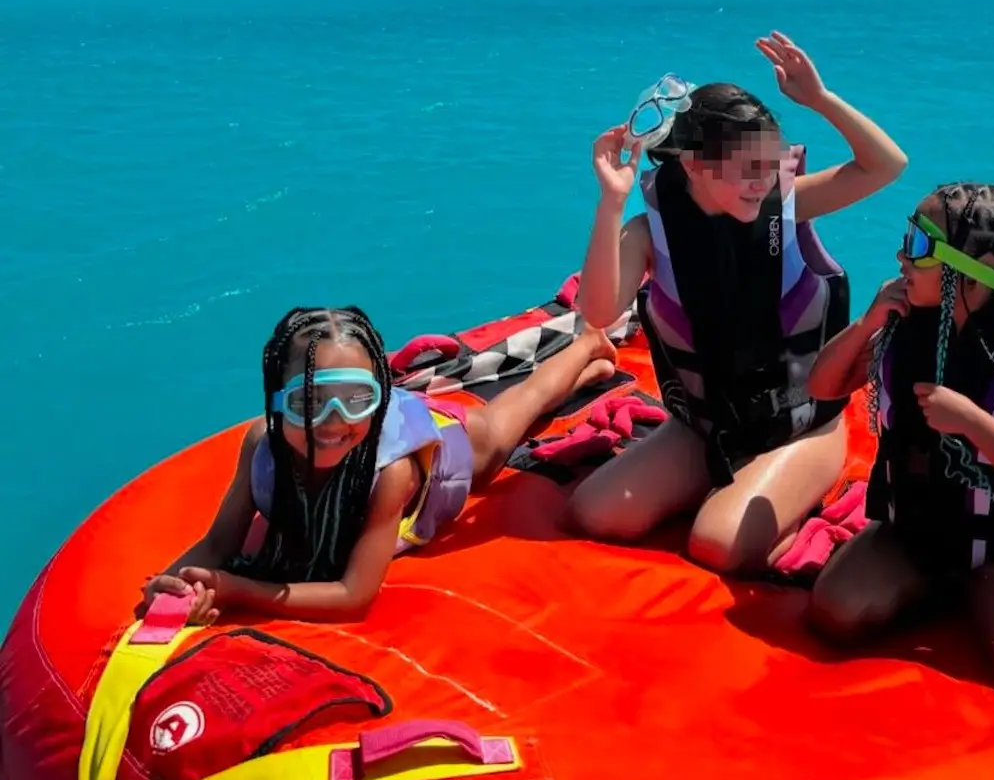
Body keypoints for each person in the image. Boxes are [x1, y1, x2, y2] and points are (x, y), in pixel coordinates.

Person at [569, 32, 907, 574]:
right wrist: (611, 202)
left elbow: (886, 165)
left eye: (771, 165)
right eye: (749, 169)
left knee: (715, 544)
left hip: (802, 424)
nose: (765, 182)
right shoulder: (650, 231)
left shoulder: (788, 206)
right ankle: (735, 484)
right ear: (696, 166)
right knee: (595, 513)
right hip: (703, 425)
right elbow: (599, 313)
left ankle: (784, 488)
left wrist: (818, 99)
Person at [806, 184, 994, 701]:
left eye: (921, 245)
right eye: (908, 235)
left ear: (974, 270)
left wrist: (976, 424)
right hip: (916, 535)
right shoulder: (901, 327)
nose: (902, 255)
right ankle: (945, 590)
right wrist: (866, 325)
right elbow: (822, 387)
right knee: (833, 612)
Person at [141, 305, 615, 623]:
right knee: (519, 409)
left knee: (512, 417)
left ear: (376, 402)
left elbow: (353, 596)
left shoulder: (392, 473)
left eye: (356, 400)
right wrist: (172, 584)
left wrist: (233, 589)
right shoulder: (261, 444)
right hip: (386, 422)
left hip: (447, 444)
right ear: (278, 402)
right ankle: (588, 368)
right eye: (311, 402)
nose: (333, 422)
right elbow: (219, 542)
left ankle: (586, 346)